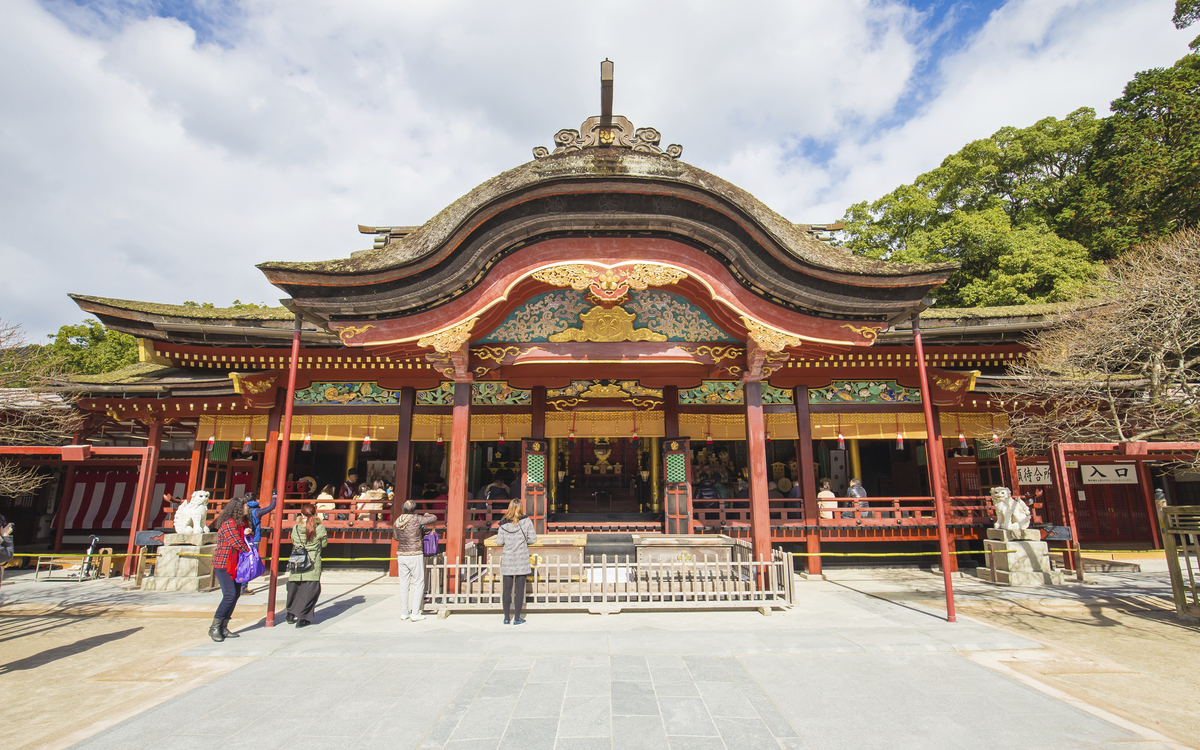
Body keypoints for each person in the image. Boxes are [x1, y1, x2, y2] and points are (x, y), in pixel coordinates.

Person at [209, 497, 251, 642]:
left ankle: (224, 626)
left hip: (236, 564)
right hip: (224, 564)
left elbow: (242, 539)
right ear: (238, 508)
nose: (247, 508)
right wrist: (250, 551)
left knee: (235, 594)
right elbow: (236, 542)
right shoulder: (228, 524)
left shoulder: (240, 524)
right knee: (229, 594)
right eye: (245, 506)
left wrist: (247, 533)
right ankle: (215, 626)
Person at [393, 500, 437, 621]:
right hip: (415, 553)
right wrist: (426, 515)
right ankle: (415, 613)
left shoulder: (398, 520)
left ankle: (404, 612)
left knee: (404, 584)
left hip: (401, 554)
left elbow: (396, 537)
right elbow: (434, 518)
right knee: (418, 583)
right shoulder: (416, 518)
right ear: (413, 509)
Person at [495, 500, 537, 625]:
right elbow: (533, 539)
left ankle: (506, 618)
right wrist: (523, 542)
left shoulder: (503, 524)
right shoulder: (526, 522)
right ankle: (517, 618)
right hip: (521, 558)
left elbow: (499, 542)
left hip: (508, 558)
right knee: (519, 589)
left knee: (507, 589)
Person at [287, 503, 328, 627]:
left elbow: (294, 541)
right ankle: (302, 617)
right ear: (315, 513)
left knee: (294, 589)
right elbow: (324, 544)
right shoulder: (319, 528)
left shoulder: (296, 528)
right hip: (312, 560)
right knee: (311, 590)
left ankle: (290, 613)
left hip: (297, 560)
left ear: (301, 513)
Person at [241, 491, 277, 594]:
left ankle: (240, 584)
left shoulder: (241, 509)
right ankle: (243, 587)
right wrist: (275, 496)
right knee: (249, 562)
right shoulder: (256, 511)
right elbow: (270, 507)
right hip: (253, 539)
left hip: (242, 538)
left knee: (243, 561)